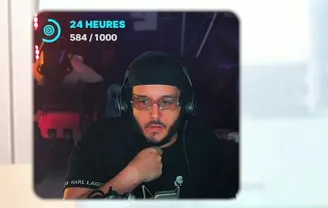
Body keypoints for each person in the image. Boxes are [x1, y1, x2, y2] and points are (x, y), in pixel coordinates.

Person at [62, 51, 237, 199]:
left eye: (167, 102)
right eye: (143, 102)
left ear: (186, 104)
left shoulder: (204, 143)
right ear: (127, 104)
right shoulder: (99, 139)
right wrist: (130, 177)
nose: (154, 114)